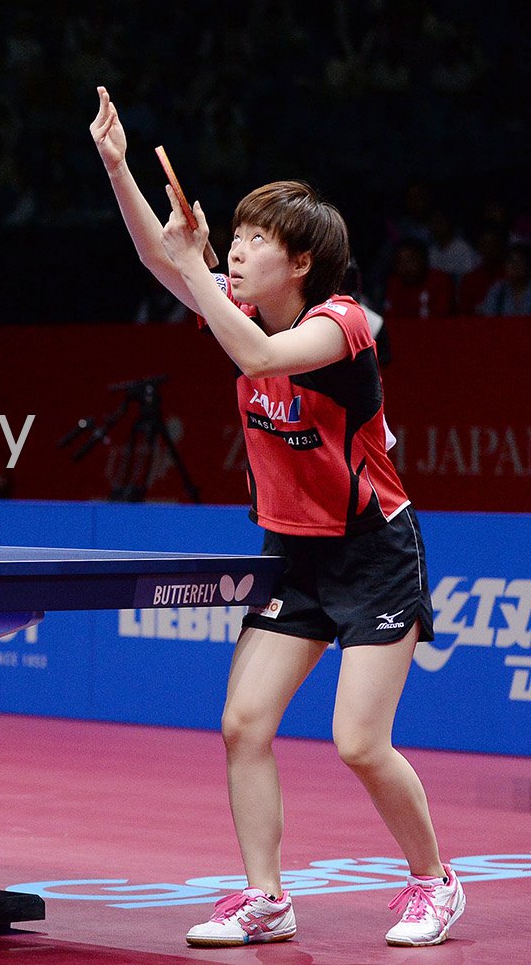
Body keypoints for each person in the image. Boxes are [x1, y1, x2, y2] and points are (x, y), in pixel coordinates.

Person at [89, 87, 463, 949]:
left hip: (375, 553)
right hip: (295, 553)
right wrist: (116, 164)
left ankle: (435, 883)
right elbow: (160, 257)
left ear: (298, 263)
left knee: (360, 743)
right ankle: (268, 898)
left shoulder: (338, 330)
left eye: (258, 240)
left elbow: (254, 354)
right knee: (242, 723)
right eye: (242, 235)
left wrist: (193, 270)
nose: (241, 249)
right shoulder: (247, 303)